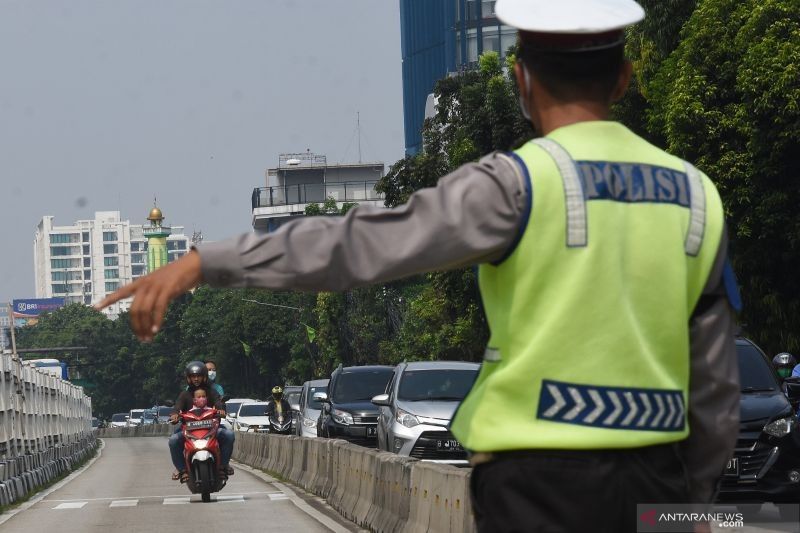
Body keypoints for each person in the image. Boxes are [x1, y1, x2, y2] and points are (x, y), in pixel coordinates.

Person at [97, 0, 740, 529]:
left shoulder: (515, 185)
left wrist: (208, 262)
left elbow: (359, 246)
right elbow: (715, 390)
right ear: (625, 77)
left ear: (521, 78)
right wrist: (689, 504)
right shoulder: (697, 198)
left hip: (535, 490)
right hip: (659, 481)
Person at [168, 361, 233, 482]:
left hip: (211, 429)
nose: (196, 379)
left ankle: (223, 466)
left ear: (204, 377)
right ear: (188, 378)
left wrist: (221, 410)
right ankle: (182, 470)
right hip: (188, 430)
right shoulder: (185, 394)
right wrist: (174, 415)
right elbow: (177, 407)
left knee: (229, 435)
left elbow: (219, 403)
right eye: (193, 376)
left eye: (198, 376)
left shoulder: (212, 392)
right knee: (173, 440)